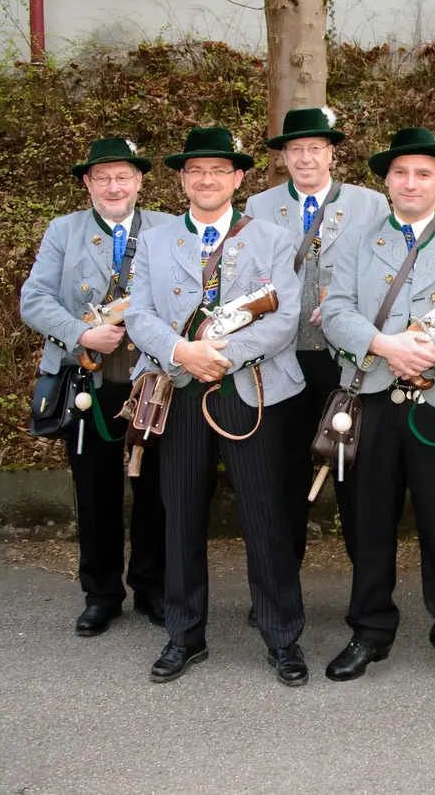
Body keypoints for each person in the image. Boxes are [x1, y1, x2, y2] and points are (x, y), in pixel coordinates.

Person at [318, 127, 435, 689]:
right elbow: (336, 311)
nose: (411, 182)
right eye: (401, 173)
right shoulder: (358, 239)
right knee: (367, 520)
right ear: (387, 180)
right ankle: (370, 631)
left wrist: (432, 350)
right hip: (372, 399)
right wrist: (386, 347)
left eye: (423, 173)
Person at [123, 127, 310, 687]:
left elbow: (285, 317)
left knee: (265, 516)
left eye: (219, 171)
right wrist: (183, 352)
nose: (207, 180)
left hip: (251, 388)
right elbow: (139, 315)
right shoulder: (154, 242)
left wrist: (222, 358)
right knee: (179, 514)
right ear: (182, 179)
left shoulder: (273, 238)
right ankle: (183, 634)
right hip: (179, 388)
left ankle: (282, 637)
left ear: (238, 178)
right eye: (196, 171)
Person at [19, 136, 170, 637]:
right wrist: (82, 333)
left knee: (156, 492)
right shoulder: (63, 231)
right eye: (102, 177)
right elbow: (35, 300)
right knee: (96, 492)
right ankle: (101, 594)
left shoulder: (169, 228)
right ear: (87, 183)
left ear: (140, 182)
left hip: (154, 383)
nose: (113, 187)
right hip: (92, 380)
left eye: (123, 177)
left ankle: (152, 587)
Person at [244, 106, 386, 585]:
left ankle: (366, 582)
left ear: (332, 152)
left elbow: (387, 274)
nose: (305, 158)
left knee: (352, 467)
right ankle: (282, 578)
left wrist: (348, 306)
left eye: (315, 148)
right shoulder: (258, 208)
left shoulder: (370, 205)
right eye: (295, 149)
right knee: (284, 470)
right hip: (281, 357)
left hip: (348, 361)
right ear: (283, 155)